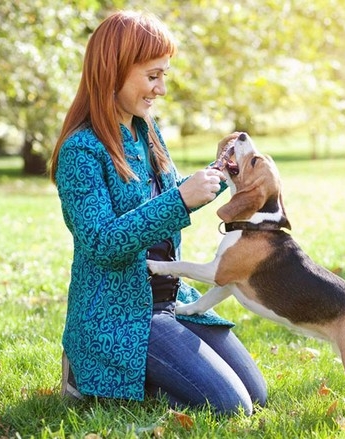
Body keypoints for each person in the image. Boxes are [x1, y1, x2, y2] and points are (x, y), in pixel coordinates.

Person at [49, 10, 267, 416]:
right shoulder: (80, 151)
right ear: (113, 71)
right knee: (230, 407)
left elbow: (165, 197)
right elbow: (101, 245)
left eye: (164, 75)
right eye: (153, 76)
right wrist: (180, 200)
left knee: (257, 395)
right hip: (122, 315)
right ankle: (94, 373)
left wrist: (215, 175)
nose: (161, 89)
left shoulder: (145, 128)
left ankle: (137, 378)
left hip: (172, 298)